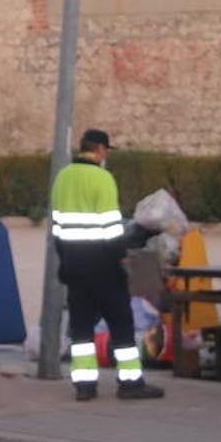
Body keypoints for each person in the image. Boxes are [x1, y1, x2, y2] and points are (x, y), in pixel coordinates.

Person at [51, 129, 164, 402]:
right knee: (121, 321)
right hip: (101, 264)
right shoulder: (103, 179)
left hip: (73, 264)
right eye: (106, 151)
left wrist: (65, 259)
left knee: (81, 326)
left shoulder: (62, 178)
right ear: (100, 150)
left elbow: (56, 228)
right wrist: (121, 258)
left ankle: (85, 386)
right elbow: (112, 230)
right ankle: (130, 383)